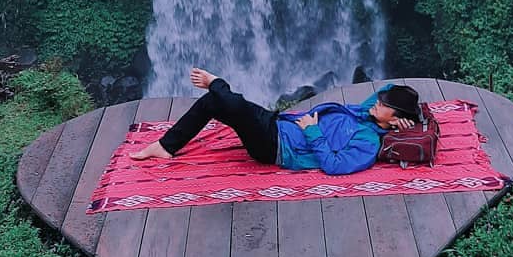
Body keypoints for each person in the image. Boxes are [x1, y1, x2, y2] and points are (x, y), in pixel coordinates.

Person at [131, 67, 422, 175]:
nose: (378, 103)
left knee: (229, 101)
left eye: (385, 106)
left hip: (276, 147)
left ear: (393, 119)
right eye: (382, 103)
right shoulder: (367, 114)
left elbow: (334, 166)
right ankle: (166, 146)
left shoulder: (368, 143)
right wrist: (402, 116)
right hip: (279, 124)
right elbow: (384, 92)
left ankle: (217, 81)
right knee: (213, 103)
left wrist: (313, 131)